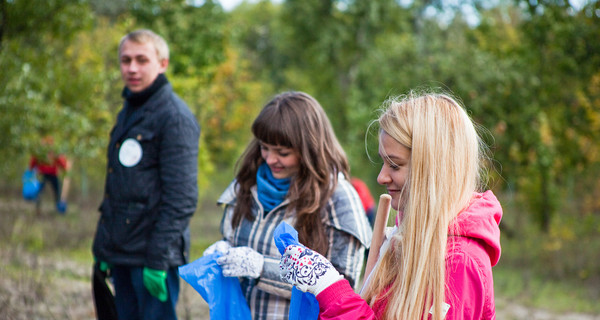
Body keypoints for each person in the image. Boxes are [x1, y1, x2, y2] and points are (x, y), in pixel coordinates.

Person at [280, 90, 503, 320]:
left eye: (394, 165)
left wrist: (333, 291)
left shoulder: (460, 263)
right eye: (383, 162)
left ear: (434, 171)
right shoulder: (405, 241)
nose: (381, 177)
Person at [203, 91, 372, 320]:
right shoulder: (247, 183)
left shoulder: (339, 198)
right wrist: (222, 252)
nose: (270, 159)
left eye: (282, 152)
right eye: (264, 148)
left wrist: (262, 268)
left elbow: (342, 291)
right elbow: (232, 241)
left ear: (309, 149)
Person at [91, 29, 200, 320]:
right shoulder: (130, 110)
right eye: (125, 60)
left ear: (162, 63)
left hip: (152, 261)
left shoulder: (174, 117)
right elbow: (118, 186)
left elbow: (182, 199)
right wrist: (103, 249)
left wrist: (157, 260)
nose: (132, 68)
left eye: (142, 59)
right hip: (121, 253)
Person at [29, 135, 70, 215]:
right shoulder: (44, 152)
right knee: (42, 192)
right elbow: (34, 161)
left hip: (50, 174)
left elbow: (61, 162)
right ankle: (39, 209)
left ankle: (58, 208)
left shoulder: (50, 152)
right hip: (44, 174)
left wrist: (65, 166)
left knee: (55, 192)